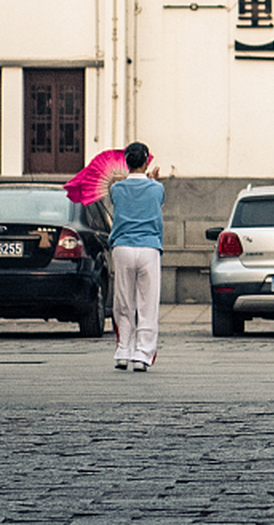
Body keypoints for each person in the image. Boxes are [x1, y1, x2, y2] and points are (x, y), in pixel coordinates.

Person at [107, 141, 164, 373]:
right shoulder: (157, 188)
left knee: (123, 302)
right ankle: (142, 354)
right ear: (146, 160)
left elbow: (125, 194)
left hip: (122, 247)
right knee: (147, 304)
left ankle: (122, 350)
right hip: (149, 248)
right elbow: (153, 196)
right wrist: (152, 179)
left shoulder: (116, 189)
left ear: (126, 161)